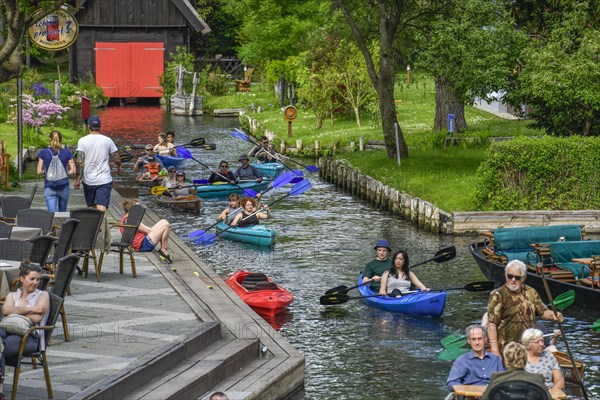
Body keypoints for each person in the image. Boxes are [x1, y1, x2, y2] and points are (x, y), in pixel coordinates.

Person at [486, 260, 563, 358]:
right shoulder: (498, 295)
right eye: (510, 276)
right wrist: (495, 351)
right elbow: (492, 324)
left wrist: (554, 315)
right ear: (505, 275)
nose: (513, 280)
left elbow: (543, 312)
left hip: (529, 347)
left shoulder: (531, 292)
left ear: (523, 278)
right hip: (507, 348)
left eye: (517, 277)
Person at [0, 261, 50, 399]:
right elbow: (6, 310)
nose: (35, 282)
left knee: (0, 347)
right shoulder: (12, 295)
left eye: (38, 279)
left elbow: (35, 319)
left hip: (29, 336)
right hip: (6, 330)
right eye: (32, 278)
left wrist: (15, 311)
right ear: (22, 278)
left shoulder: (43, 295)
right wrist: (31, 308)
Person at [75, 115, 122, 211]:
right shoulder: (107, 140)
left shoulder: (82, 141)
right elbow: (117, 159)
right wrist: (118, 168)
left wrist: (78, 179)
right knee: (102, 206)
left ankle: (97, 225)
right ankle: (100, 224)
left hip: (88, 180)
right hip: (104, 179)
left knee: (92, 208)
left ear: (88, 126)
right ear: (100, 126)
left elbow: (80, 161)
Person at [481, 342, 551, 400]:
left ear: (506, 361)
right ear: (525, 360)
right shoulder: (537, 379)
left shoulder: (496, 378)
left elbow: (485, 398)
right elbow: (548, 398)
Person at [446, 325, 504, 392]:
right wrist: (466, 390)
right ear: (468, 341)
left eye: (480, 338)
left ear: (485, 339)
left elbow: (502, 380)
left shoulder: (495, 359)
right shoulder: (462, 361)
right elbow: (451, 383)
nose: (477, 343)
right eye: (473, 339)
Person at [120, 199, 173, 263]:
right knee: (166, 225)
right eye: (138, 208)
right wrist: (158, 231)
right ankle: (163, 250)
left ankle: (163, 250)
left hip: (141, 243)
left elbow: (147, 230)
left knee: (163, 221)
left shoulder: (125, 218)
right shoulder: (132, 220)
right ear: (133, 209)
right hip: (143, 245)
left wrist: (157, 230)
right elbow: (148, 231)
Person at [37, 130, 76, 212]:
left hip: (49, 187)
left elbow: (39, 171)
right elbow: (73, 170)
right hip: (64, 187)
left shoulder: (43, 152)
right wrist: (65, 173)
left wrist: (47, 172)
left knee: (52, 214)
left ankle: (54, 225)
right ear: (61, 139)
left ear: (49, 139)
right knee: (62, 213)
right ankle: (62, 225)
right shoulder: (67, 153)